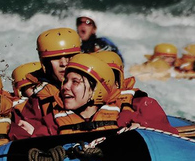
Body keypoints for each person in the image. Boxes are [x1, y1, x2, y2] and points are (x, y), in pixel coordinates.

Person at [34, 54, 177, 136]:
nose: (65, 87)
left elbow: (165, 136)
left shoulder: (125, 116)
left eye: (75, 81)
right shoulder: (53, 119)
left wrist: (140, 130)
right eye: (65, 81)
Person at [92, 51, 179, 135]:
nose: (101, 86)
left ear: (118, 82)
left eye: (107, 80)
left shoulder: (142, 103)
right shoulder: (82, 107)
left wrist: (140, 126)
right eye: (94, 81)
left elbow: (166, 134)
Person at [14, 27, 81, 131]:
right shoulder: (37, 100)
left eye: (69, 56)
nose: (63, 63)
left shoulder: (96, 88)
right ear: (45, 63)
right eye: (56, 58)